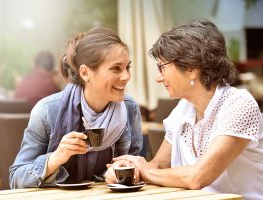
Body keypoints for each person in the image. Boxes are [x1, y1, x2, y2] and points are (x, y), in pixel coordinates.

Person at [107, 19, 263, 199]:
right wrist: (128, 170)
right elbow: (158, 166)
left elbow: (198, 177)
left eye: (162, 67)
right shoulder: (183, 109)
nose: (158, 77)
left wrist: (146, 172)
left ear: (191, 68)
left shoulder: (239, 104)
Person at [9, 28, 143, 188]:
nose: (126, 76)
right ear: (85, 73)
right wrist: (56, 158)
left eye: (127, 67)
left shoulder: (130, 108)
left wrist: (122, 171)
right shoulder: (47, 110)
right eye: (116, 68)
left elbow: (135, 168)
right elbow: (16, 179)